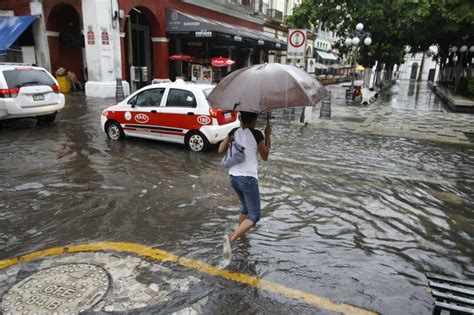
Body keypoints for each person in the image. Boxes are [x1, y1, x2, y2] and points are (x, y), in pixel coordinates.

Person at [218, 111, 272, 260]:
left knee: (245, 208)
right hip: (248, 178)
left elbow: (220, 150)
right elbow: (265, 155)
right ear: (254, 120)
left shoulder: (234, 131)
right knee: (254, 215)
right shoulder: (257, 134)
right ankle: (231, 239)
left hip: (233, 177)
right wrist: (268, 135)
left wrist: (231, 140)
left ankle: (242, 235)